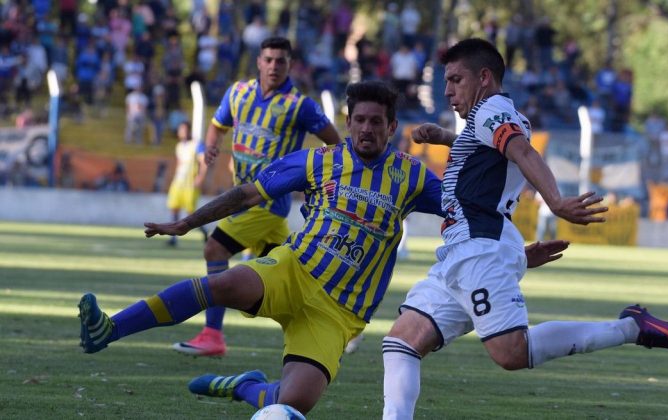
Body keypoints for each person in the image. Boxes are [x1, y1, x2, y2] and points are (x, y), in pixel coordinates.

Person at [77, 80, 568, 416]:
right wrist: (187, 222)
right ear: (349, 121)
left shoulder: (413, 177)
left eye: (378, 122)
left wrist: (515, 255)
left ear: (391, 127)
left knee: (292, 405)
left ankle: (248, 386)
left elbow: (468, 219)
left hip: (338, 313)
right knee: (224, 282)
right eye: (360, 120)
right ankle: (109, 328)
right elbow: (247, 193)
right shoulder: (318, 162)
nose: (368, 129)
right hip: (293, 270)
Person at [380, 38, 668, 420]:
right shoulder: (492, 115)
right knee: (401, 342)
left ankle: (631, 328)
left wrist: (557, 202)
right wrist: (448, 139)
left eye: (455, 80)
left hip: (478, 247)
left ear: (484, 78)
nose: (447, 91)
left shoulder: (490, 109)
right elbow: (492, 154)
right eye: (446, 81)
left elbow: (522, 152)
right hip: (466, 250)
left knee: (511, 353)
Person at [171, 36, 341, 357]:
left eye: (281, 60)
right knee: (288, 283)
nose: (274, 66)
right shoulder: (238, 93)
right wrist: (212, 146)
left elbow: (335, 144)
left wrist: (315, 178)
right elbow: (217, 124)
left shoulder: (300, 105)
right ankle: (327, 328)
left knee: (214, 248)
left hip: (267, 202)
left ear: (290, 64)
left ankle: (212, 334)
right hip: (242, 198)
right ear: (259, 62)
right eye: (269, 59)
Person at [166, 121, 209, 247]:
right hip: (178, 183)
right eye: (180, 130)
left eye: (184, 129)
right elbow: (179, 164)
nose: (182, 132)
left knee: (191, 213)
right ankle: (173, 238)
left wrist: (201, 177)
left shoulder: (197, 145)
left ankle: (204, 232)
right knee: (174, 209)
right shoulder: (179, 146)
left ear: (189, 130)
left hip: (190, 184)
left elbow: (204, 162)